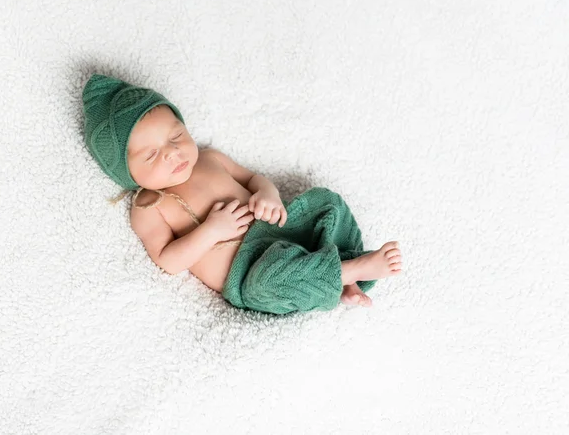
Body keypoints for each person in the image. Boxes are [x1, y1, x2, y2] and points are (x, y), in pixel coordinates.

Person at [82, 73, 403, 315]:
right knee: (272, 281)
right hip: (247, 270)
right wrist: (211, 231)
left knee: (327, 203)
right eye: (151, 155)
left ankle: (343, 277)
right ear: (125, 172)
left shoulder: (209, 158)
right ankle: (351, 270)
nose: (171, 153)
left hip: (282, 228)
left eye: (176, 136)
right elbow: (168, 260)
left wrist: (268, 195)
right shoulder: (148, 205)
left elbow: (252, 178)